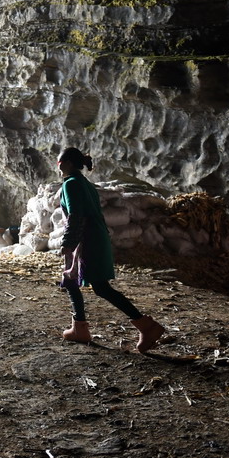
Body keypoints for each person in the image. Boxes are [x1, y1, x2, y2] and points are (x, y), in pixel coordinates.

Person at [57, 147, 164, 353]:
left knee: (100, 287)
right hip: (94, 237)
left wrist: (68, 242)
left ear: (68, 163)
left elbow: (76, 216)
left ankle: (146, 326)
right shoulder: (85, 184)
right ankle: (79, 328)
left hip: (86, 240)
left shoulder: (71, 184)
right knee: (71, 280)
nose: (58, 166)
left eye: (59, 162)